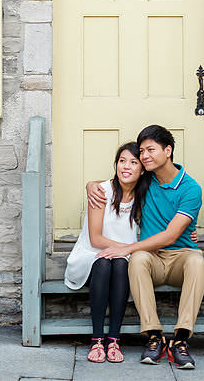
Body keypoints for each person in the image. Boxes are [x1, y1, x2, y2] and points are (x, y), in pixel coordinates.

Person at [88, 124, 204, 371]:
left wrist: (126, 248)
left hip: (181, 258)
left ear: (168, 151)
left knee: (197, 261)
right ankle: (154, 336)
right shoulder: (146, 179)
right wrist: (91, 185)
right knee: (139, 258)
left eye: (150, 150)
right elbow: (116, 182)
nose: (144, 156)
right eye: (142, 151)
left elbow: (171, 235)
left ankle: (181, 340)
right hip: (151, 258)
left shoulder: (191, 189)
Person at [64, 142, 148, 363]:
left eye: (133, 162)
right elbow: (96, 239)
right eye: (122, 161)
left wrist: (190, 231)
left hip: (123, 256)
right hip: (91, 254)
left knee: (119, 264)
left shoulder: (144, 196)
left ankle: (114, 339)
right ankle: (97, 339)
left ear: (142, 169)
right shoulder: (102, 192)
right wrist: (126, 249)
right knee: (104, 263)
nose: (126, 167)